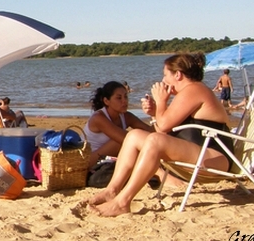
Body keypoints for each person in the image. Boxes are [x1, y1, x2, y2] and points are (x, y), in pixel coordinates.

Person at [87, 52, 234, 217]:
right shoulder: (187, 93)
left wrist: (161, 101)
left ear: (177, 74)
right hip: (200, 153)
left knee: (155, 141)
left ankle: (123, 202)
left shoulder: (194, 89)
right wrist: (154, 112)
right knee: (134, 135)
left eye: (165, 75)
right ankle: (112, 190)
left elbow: (162, 129)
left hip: (216, 158)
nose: (163, 80)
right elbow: (164, 127)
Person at [83, 81, 153, 165]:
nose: (124, 101)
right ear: (106, 101)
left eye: (125, 97)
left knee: (136, 139)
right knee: (122, 141)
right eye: (119, 98)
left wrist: (154, 113)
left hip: (106, 158)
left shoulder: (126, 116)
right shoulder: (98, 118)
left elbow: (151, 132)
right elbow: (126, 139)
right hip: (87, 161)